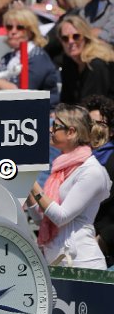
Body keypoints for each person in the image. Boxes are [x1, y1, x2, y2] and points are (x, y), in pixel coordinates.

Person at [26, 103, 111, 269]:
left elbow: (61, 216)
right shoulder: (61, 169)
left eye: (56, 126)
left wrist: (33, 183)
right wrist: (27, 184)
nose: (50, 130)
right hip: (56, 262)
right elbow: (40, 218)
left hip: (82, 264)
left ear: (71, 132)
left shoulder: (91, 171)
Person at [0, 8, 60, 108]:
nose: (13, 32)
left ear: (31, 31)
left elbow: (24, 94)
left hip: (41, 111)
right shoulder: (7, 58)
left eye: (20, 27)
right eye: (9, 27)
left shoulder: (38, 57)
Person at [82, 94, 114, 267]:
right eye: (90, 124)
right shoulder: (74, 160)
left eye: (100, 124)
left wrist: (102, 240)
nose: (95, 129)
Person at [58, 14, 114, 104]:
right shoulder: (68, 62)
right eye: (65, 38)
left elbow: (92, 105)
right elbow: (66, 100)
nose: (71, 41)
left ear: (86, 37)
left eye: (76, 36)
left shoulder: (97, 65)